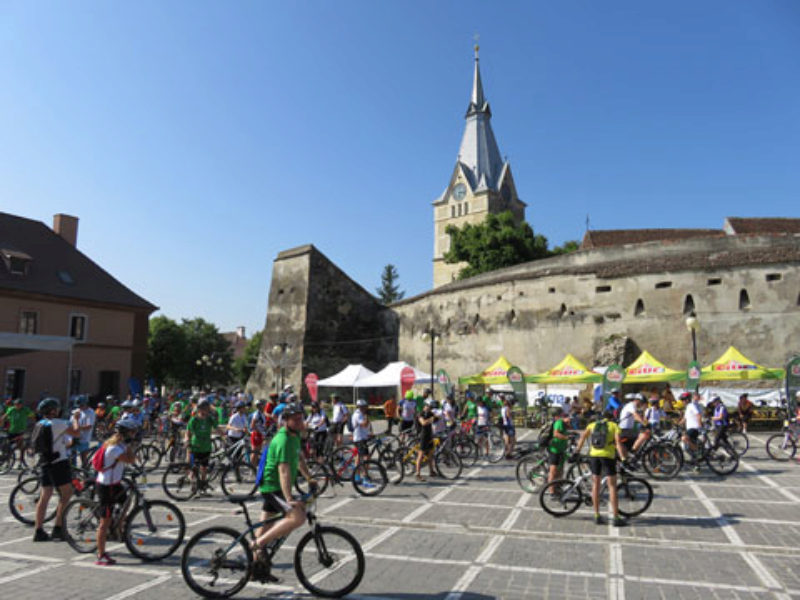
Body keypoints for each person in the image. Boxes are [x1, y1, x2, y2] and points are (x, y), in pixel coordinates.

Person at [251, 403, 315, 579]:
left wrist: (310, 477)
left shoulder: (294, 437)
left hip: (277, 487)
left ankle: (255, 567)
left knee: (266, 526)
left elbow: (300, 458)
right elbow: (284, 470)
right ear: (285, 420)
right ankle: (258, 544)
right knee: (297, 517)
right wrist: (289, 498)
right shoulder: (283, 439)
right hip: (273, 487)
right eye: (295, 419)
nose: (299, 421)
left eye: (301, 418)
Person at [32, 397, 81, 542]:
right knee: (67, 493)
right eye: (57, 408)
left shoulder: (40, 423)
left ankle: (38, 530)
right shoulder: (58, 423)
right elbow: (77, 432)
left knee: (44, 496)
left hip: (45, 461)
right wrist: (76, 418)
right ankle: (58, 528)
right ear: (53, 410)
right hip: (58, 463)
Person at [94, 417, 138, 565]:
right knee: (104, 522)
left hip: (115, 484)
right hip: (106, 486)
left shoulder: (119, 445)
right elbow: (131, 459)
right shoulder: (114, 448)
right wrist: (130, 446)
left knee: (126, 501)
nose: (133, 435)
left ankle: (118, 528)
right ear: (125, 433)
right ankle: (101, 555)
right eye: (131, 433)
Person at [572, 411, 628, 526]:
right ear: (612, 418)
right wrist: (623, 458)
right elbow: (618, 443)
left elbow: (583, 437)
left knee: (595, 485)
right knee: (612, 486)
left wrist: (577, 451)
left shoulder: (592, 425)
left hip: (594, 456)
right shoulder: (614, 426)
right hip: (608, 456)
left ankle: (597, 515)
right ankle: (616, 517)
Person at [185, 399, 216, 495]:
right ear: (199, 409)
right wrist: (187, 440)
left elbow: (217, 428)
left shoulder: (210, 419)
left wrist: (224, 436)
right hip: (196, 447)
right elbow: (188, 432)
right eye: (203, 409)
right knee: (195, 468)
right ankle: (193, 485)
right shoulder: (194, 420)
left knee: (204, 468)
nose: (205, 411)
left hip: (206, 447)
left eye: (207, 409)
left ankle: (202, 487)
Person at [415, 400, 438, 481]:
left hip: (429, 435)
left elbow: (437, 417)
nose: (429, 408)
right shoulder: (420, 414)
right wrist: (431, 419)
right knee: (420, 455)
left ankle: (431, 471)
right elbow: (423, 423)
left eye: (430, 407)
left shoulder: (430, 413)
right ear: (424, 406)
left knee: (430, 454)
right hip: (423, 436)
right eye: (428, 406)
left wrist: (436, 416)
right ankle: (417, 474)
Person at [680, 392, 704, 465]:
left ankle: (698, 451)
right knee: (687, 447)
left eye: (683, 400)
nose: (682, 402)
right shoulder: (688, 407)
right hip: (690, 428)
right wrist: (678, 424)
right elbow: (685, 418)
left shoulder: (691, 405)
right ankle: (696, 461)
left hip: (694, 428)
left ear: (687, 400)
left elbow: (698, 414)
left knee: (684, 438)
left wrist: (700, 426)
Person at [547, 407, 570, 483]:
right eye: (562, 414)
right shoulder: (559, 422)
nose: (563, 415)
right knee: (553, 471)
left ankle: (558, 486)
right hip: (555, 450)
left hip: (561, 449)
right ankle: (551, 490)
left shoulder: (561, 422)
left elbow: (564, 431)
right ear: (557, 415)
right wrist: (566, 437)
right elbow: (556, 434)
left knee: (560, 469)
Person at [75, 396, 96, 467]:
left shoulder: (90, 412)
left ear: (86, 404)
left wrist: (78, 427)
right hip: (75, 436)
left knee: (83, 457)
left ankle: (85, 472)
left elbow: (89, 426)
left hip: (84, 437)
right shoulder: (78, 411)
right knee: (72, 455)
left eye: (81, 405)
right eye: (79, 405)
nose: (80, 407)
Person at [250, 399, 268, 468]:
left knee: (257, 452)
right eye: (263, 404)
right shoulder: (256, 414)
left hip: (260, 434)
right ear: (260, 406)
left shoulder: (262, 413)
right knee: (254, 452)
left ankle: (254, 466)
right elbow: (252, 425)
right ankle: (251, 467)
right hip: (256, 434)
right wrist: (260, 431)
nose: (264, 406)